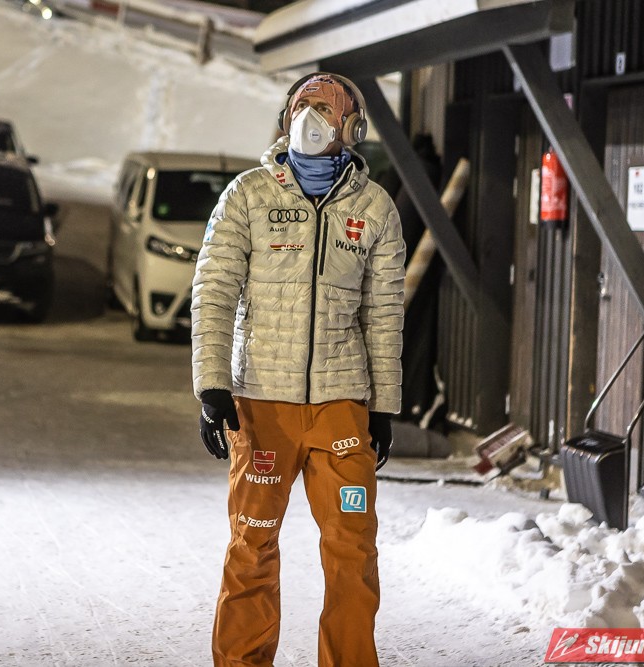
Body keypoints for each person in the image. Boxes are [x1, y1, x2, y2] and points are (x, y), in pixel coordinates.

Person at [191, 72, 405, 667]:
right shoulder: (248, 195)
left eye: (327, 109)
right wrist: (212, 385)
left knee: (353, 553)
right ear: (286, 118)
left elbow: (384, 313)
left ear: (352, 128)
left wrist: (382, 406)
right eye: (303, 106)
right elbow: (213, 290)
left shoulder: (374, 207)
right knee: (252, 547)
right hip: (262, 403)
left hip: (342, 405)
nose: (312, 118)